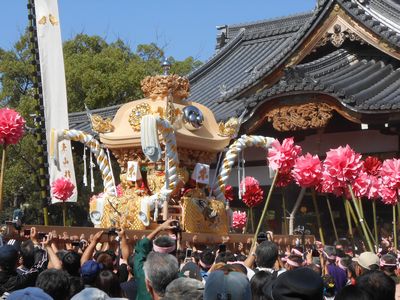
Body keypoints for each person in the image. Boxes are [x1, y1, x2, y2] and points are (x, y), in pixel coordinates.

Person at [134, 219, 178, 300]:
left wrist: (160, 228)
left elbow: (141, 248)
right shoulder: (179, 278)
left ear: (148, 284)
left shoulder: (142, 272)